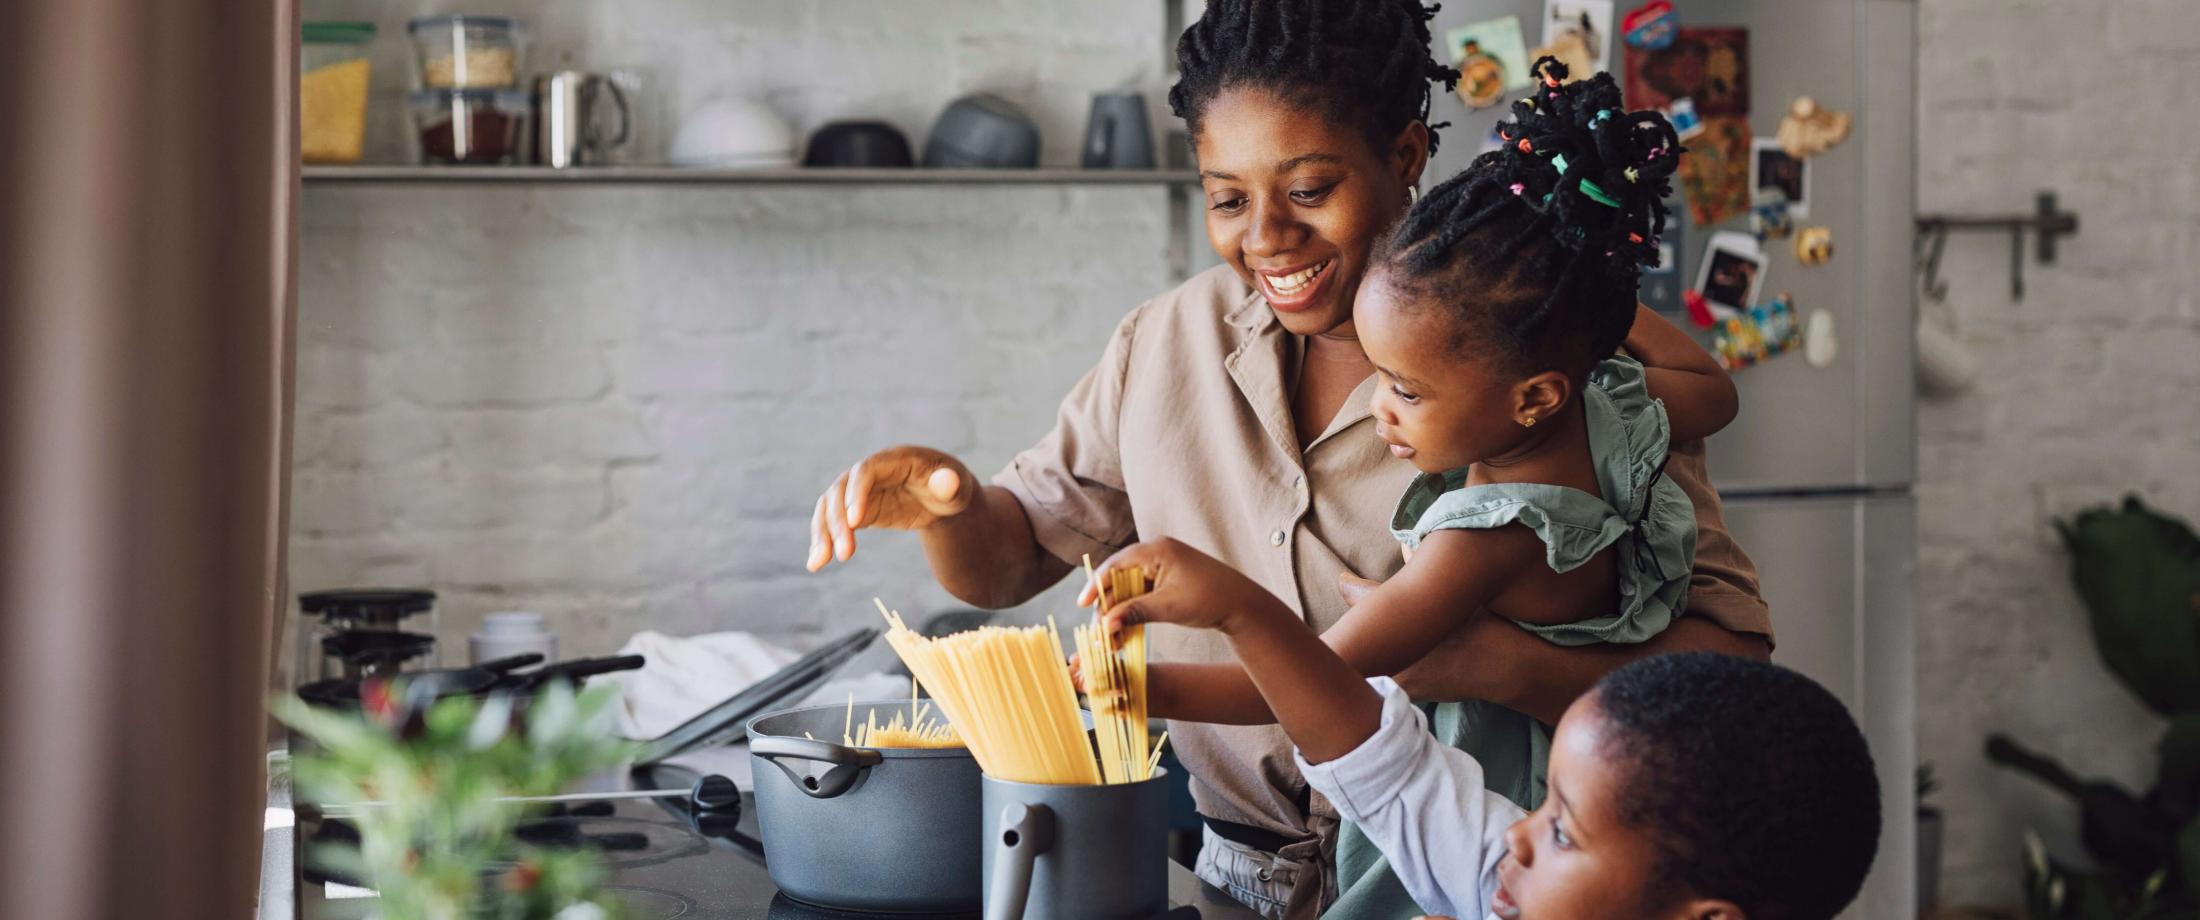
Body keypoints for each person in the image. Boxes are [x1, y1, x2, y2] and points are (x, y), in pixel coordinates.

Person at [805, 3, 1772, 916]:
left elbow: (1729, 678)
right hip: (1226, 875)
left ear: (1405, 154)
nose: (1266, 238)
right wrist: (945, 503)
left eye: (1310, 189)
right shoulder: (1166, 342)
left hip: (1470, 873)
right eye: (1228, 197)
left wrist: (1500, 667)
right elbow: (1009, 560)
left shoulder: (1538, 362)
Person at [1082, 55, 1731, 735]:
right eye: (1228, 197)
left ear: (1534, 398)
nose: (1376, 405)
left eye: (1404, 390)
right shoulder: (1609, 412)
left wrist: (1136, 687)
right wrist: (1570, 285)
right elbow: (1714, 390)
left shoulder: (1479, 542)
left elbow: (1312, 676)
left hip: (1487, 815)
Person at [1101, 549, 1879, 920]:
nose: (1519, 837)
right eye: (1547, 810)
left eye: (1565, 833)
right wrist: (1243, 613)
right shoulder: (1512, 892)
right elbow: (1382, 765)